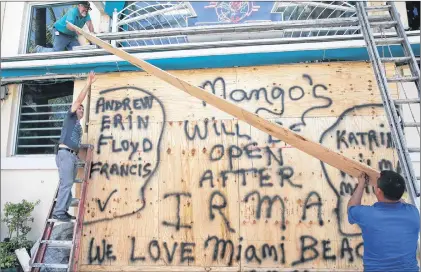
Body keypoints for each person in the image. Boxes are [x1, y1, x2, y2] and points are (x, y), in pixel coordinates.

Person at [348, 170, 420, 272]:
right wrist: (393, 188)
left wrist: (361, 184)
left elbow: (351, 208)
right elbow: (399, 200)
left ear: (378, 191)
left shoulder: (367, 215)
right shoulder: (413, 212)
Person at [53, 71, 96, 221]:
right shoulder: (70, 116)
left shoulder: (77, 124)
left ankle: (63, 211)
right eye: (80, 108)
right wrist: (88, 84)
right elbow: (79, 99)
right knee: (66, 184)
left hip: (71, 154)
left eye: (83, 110)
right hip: (65, 153)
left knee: (69, 183)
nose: (81, 110)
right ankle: (59, 212)